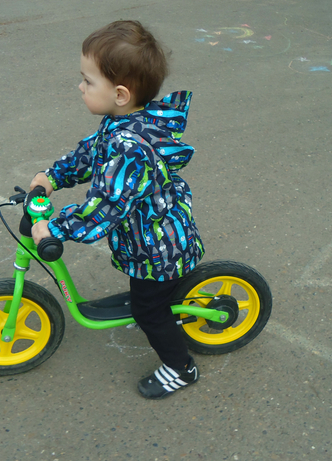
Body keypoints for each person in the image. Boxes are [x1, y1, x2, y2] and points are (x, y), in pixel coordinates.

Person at [29, 20, 205, 399]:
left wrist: (55, 229)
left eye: (88, 81)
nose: (80, 87)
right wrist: (53, 176)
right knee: (148, 297)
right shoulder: (119, 124)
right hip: (151, 235)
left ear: (120, 94)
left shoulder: (131, 149)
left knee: (149, 312)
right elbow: (88, 153)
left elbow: (105, 208)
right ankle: (158, 307)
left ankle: (181, 368)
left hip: (159, 249)